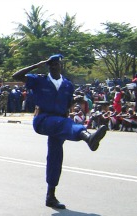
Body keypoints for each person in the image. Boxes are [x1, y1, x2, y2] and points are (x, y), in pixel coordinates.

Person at [12, 54, 108, 209]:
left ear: (61, 65)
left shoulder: (68, 85)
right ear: (48, 66)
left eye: (56, 64)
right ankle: (87, 137)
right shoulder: (39, 80)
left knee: (55, 157)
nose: (53, 66)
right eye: (51, 64)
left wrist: (75, 101)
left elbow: (66, 104)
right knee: (65, 125)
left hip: (60, 121)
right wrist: (38, 63)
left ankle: (51, 196)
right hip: (43, 119)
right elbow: (16, 75)